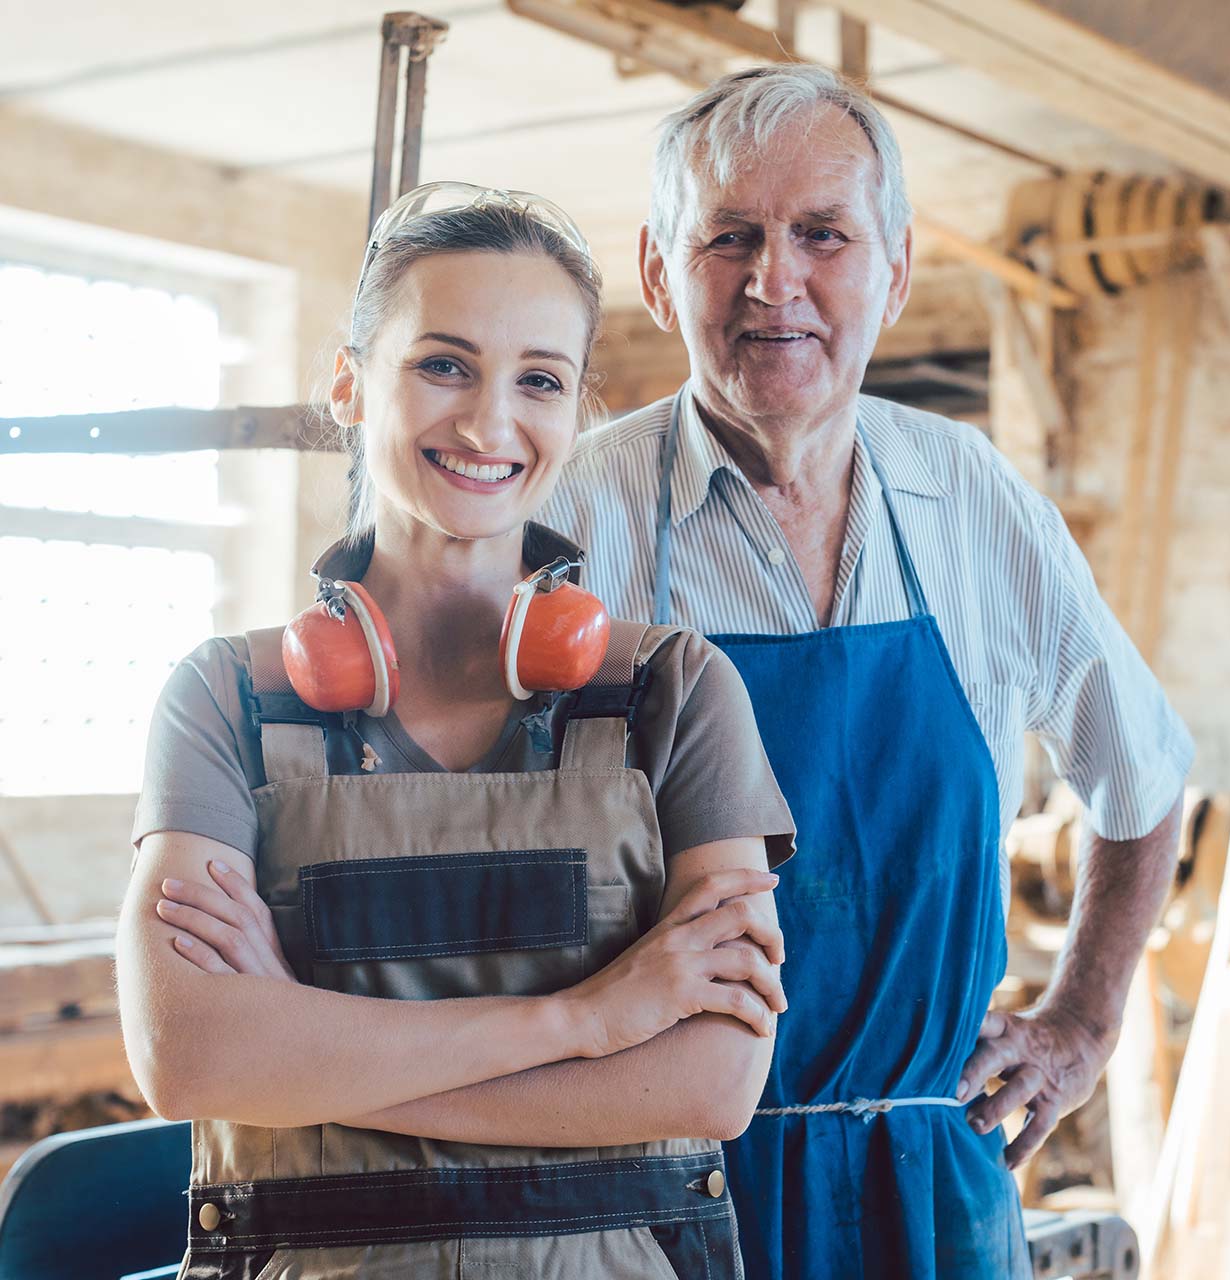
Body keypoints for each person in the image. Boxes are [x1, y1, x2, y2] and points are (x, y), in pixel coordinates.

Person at [538, 65, 1194, 1279]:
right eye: (726, 235)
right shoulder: (568, 519)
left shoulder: (976, 501)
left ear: (892, 269)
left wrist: (1082, 1023)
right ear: (654, 271)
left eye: (820, 235)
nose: (770, 279)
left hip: (928, 1196)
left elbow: (1140, 775)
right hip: (652, 1194)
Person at [116, 183, 796, 1280]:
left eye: (538, 379)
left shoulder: (674, 691)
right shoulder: (223, 700)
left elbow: (710, 1082)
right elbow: (188, 1056)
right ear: (348, 383)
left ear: (578, 408)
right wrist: (588, 1018)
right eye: (442, 364)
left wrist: (302, 1042)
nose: (488, 423)